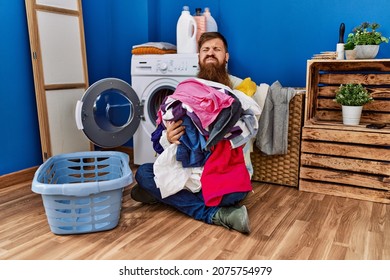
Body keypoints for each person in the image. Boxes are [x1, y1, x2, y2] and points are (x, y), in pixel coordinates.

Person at [131, 32, 260, 234]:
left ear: (226, 56)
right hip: (186, 171)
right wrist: (168, 137)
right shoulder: (187, 90)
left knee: (234, 192)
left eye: (216, 49)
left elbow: (248, 130)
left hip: (227, 174)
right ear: (198, 57)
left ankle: (164, 196)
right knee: (142, 172)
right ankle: (217, 214)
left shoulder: (240, 90)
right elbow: (158, 138)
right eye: (205, 50)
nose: (210, 54)